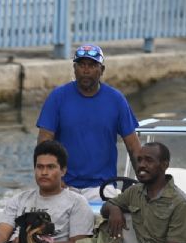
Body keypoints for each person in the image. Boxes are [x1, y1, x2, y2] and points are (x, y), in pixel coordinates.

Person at [36, 43, 142, 201]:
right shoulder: (57, 97)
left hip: (102, 187)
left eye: (92, 65)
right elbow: (43, 144)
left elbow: (134, 147)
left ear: (102, 70)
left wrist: (146, 183)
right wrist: (54, 181)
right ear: (74, 68)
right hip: (64, 186)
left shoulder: (116, 100)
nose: (86, 70)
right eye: (81, 65)